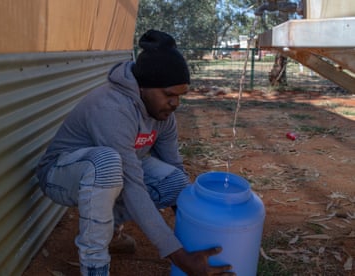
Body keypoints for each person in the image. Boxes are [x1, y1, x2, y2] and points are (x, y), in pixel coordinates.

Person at [36, 30, 235, 276]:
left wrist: (201, 229)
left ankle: (108, 230)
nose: (176, 104)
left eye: (180, 95)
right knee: (107, 164)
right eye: (169, 95)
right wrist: (181, 257)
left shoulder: (163, 115)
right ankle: (95, 267)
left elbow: (175, 169)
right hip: (60, 173)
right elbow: (132, 185)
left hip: (114, 171)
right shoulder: (112, 109)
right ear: (142, 87)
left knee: (176, 183)